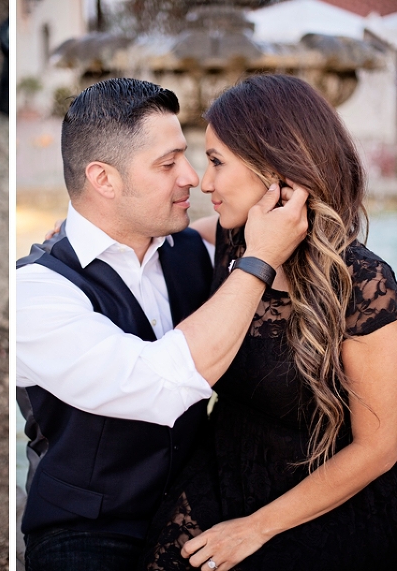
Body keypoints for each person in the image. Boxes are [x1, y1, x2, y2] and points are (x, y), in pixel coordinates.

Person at [16, 77, 308, 570]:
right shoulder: (38, 293)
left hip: (201, 503)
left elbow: (266, 220)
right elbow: (160, 385)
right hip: (89, 529)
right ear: (103, 179)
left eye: (189, 157)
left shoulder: (191, 249)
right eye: (168, 164)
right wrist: (257, 259)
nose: (192, 177)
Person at [143, 73, 397, 571]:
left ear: (276, 168)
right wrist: (81, 236)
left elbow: (382, 446)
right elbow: (158, 244)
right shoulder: (232, 239)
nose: (204, 181)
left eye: (216, 161)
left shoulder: (366, 285)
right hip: (225, 465)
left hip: (324, 497)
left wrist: (255, 528)